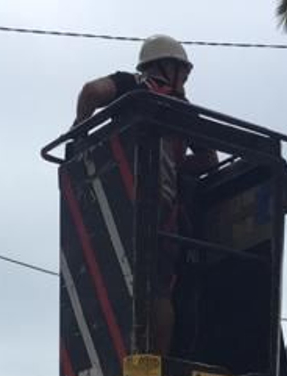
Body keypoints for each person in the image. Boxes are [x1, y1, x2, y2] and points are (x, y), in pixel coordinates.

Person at [73, 36, 216, 356]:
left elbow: (91, 92)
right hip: (158, 209)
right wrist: (176, 168)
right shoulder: (180, 109)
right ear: (169, 67)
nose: (186, 79)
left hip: (113, 205)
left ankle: (123, 355)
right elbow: (209, 159)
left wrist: (80, 133)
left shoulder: (130, 87)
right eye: (184, 72)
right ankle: (156, 362)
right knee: (159, 290)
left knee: (115, 281)